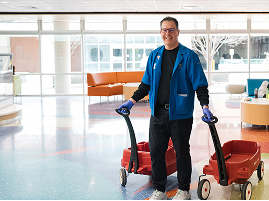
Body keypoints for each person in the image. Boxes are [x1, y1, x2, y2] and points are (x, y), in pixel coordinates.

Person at [118, 16, 213, 200]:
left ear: (178, 32)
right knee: (156, 153)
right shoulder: (155, 55)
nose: (167, 34)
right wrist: (131, 101)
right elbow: (146, 84)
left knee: (181, 153)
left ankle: (184, 190)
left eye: (171, 30)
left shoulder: (189, 56)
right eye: (164, 30)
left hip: (180, 114)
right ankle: (159, 190)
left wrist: (205, 105)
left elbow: (200, 85)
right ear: (160, 32)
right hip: (158, 114)